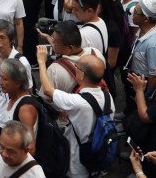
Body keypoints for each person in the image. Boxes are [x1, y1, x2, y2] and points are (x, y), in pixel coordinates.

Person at [37, 48, 114, 178]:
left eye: (76, 66)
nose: (74, 67)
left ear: (82, 75)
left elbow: (48, 90)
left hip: (78, 162)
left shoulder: (77, 102)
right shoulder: (107, 97)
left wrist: (41, 62)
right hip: (98, 155)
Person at [0, 19, 32, 149]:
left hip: (11, 121)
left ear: (12, 39)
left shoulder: (21, 62)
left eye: (2, 37)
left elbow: (28, 94)